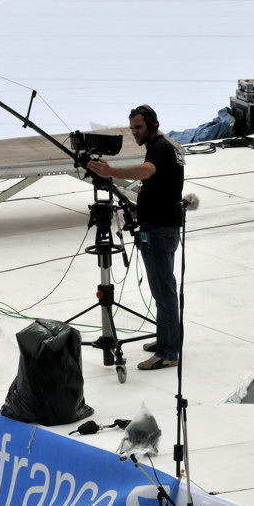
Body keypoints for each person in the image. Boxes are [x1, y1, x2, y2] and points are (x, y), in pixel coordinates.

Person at [88, 104, 185, 370]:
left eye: (138, 127)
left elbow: (147, 172)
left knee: (164, 293)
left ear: (153, 124)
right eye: (132, 128)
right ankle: (167, 338)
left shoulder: (160, 149)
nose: (134, 133)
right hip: (160, 226)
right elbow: (162, 187)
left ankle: (168, 352)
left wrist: (111, 172)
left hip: (160, 231)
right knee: (162, 291)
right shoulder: (165, 149)